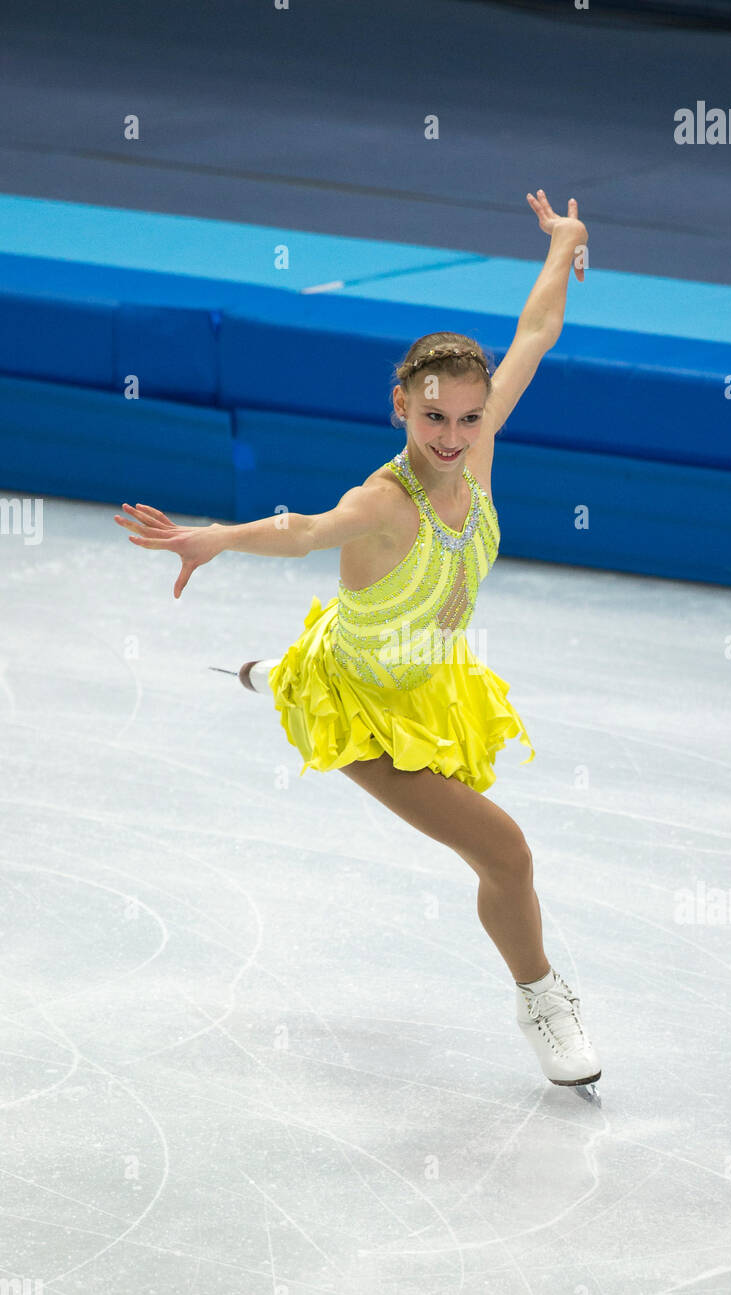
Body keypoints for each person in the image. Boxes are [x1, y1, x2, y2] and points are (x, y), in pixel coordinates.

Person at [114, 190, 600, 1089]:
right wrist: (211, 539)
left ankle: (270, 673)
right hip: (368, 711)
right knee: (507, 852)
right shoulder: (384, 503)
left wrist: (562, 242)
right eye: (433, 419)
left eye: (467, 416)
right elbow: (300, 531)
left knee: (485, 833)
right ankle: (541, 996)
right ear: (400, 411)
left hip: (432, 677)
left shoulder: (482, 441)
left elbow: (534, 333)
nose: (452, 437)